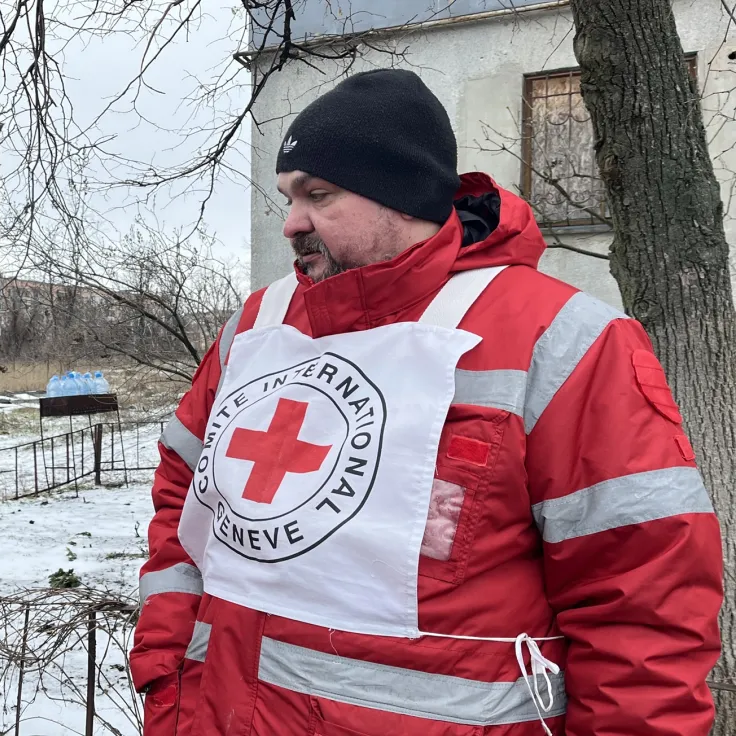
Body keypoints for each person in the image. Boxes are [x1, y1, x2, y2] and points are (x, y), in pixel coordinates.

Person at [131, 69, 723, 736]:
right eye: (289, 197)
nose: (292, 222)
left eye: (319, 196)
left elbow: (641, 607)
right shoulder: (258, 325)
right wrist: (167, 685)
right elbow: (184, 509)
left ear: (405, 198)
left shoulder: (562, 340)